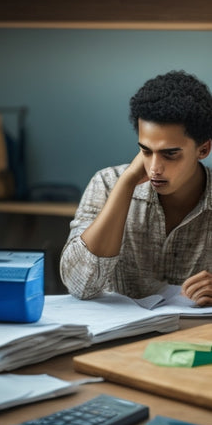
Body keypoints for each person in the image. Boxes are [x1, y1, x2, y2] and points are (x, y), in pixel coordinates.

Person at [60, 70, 212, 307]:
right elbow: (80, 285)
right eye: (146, 151)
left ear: (203, 150)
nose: (154, 168)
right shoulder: (107, 183)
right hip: (119, 340)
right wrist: (127, 182)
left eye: (170, 154)